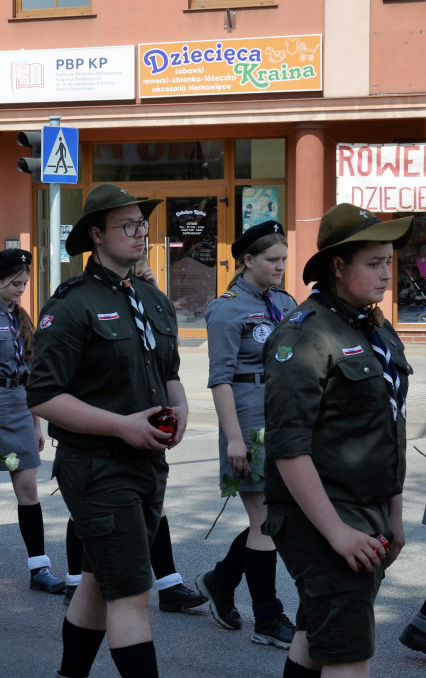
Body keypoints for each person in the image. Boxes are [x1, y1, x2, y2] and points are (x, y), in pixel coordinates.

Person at [27, 183, 187, 678]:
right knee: (133, 592)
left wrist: (177, 407)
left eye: (142, 223)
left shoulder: (152, 298)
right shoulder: (72, 304)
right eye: (127, 225)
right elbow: (45, 396)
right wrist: (122, 426)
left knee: (100, 580)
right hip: (97, 467)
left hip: (146, 462)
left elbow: (169, 372)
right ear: (96, 234)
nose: (140, 233)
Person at [262, 204, 412, 678]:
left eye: (390, 261)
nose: (386, 274)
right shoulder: (303, 336)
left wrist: (395, 514)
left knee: (315, 635)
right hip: (321, 515)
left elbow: (389, 425)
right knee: (348, 656)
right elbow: (289, 447)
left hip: (366, 511)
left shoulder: (374, 327)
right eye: (374, 263)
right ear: (338, 266)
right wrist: (336, 532)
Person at [197, 221, 297, 647]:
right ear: (247, 260)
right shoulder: (226, 308)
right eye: (273, 260)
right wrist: (234, 438)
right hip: (248, 420)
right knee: (265, 521)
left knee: (273, 518)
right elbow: (219, 378)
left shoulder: (285, 301)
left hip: (282, 417)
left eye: (284, 260)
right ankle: (268, 618)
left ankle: (222, 581)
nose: (280, 267)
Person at [0, 248, 62, 594]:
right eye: (15, 283)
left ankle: (39, 568)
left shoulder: (19, 317)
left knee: (28, 490)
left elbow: (31, 374)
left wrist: (36, 424)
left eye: (25, 283)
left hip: (20, 408)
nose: (21, 289)